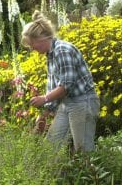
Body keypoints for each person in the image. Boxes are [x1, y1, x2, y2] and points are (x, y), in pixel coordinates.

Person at [22, 11, 100, 152]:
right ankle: (58, 174)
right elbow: (55, 87)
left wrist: (44, 99)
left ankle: (92, 172)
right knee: (51, 147)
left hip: (82, 102)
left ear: (41, 38)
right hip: (67, 103)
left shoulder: (62, 51)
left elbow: (66, 86)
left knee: (83, 150)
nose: (32, 49)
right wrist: (44, 115)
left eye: (32, 44)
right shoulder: (51, 55)